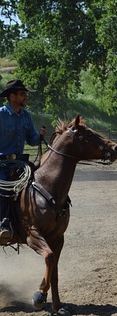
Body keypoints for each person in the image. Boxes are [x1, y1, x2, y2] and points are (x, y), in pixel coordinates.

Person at [0, 79, 46, 244]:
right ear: (12, 96)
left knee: (39, 183)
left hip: (20, 163)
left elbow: (32, 140)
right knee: (5, 188)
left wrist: (40, 136)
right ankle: (3, 224)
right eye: (22, 94)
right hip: (2, 163)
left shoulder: (26, 115)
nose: (25, 97)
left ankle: (35, 221)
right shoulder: (1, 114)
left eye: (25, 94)